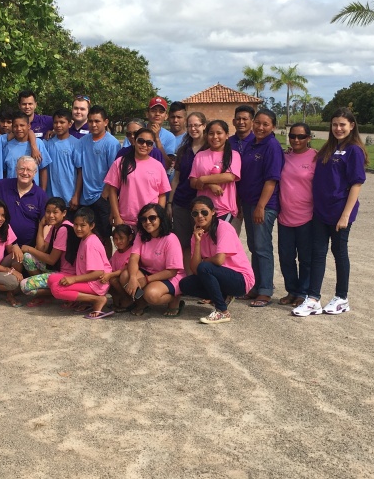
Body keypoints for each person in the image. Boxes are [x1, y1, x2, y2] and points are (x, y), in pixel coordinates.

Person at [292, 108, 367, 317]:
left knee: (339, 252)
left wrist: (345, 215)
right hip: (321, 211)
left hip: (340, 212)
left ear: (351, 126)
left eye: (342, 124)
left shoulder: (354, 150)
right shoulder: (328, 149)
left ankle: (341, 297)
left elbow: (356, 183)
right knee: (318, 253)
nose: (338, 128)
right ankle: (313, 299)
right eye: (335, 124)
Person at [179, 196, 254, 324]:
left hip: (240, 279)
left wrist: (204, 262)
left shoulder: (223, 227)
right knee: (185, 284)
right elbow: (194, 269)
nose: (200, 216)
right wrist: (197, 242)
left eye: (204, 212)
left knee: (204, 267)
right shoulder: (197, 234)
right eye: (195, 213)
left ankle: (222, 311)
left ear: (213, 212)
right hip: (220, 276)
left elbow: (219, 260)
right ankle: (224, 296)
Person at [236, 109, 284, 307]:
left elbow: (271, 179)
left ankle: (265, 290)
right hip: (249, 204)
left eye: (266, 124)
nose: (261, 127)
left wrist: (261, 206)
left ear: (273, 126)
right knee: (254, 246)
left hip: (263, 205)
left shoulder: (271, 146)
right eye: (258, 123)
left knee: (263, 247)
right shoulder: (252, 144)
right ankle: (256, 286)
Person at [47, 207, 114, 319]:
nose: (78, 228)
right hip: (87, 279)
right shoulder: (85, 239)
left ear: (91, 226)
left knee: (56, 289)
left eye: (83, 225)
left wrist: (73, 279)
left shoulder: (91, 243)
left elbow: (98, 273)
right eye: (76, 225)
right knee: (52, 279)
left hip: (96, 284)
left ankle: (97, 299)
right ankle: (79, 300)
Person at [119, 203, 184, 317]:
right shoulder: (141, 235)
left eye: (152, 218)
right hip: (148, 272)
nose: (147, 222)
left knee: (151, 294)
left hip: (170, 276)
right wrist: (134, 278)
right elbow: (134, 258)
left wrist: (146, 280)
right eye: (143, 219)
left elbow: (172, 271)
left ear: (161, 218)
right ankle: (142, 302)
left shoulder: (170, 239)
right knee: (125, 277)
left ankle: (175, 298)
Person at [277, 123, 317, 307]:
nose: (296, 140)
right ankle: (292, 290)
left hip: (307, 216)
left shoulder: (316, 158)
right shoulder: (284, 157)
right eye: (293, 136)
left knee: (305, 258)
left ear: (309, 137)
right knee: (286, 256)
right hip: (285, 215)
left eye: (301, 137)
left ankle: (303, 292)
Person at [104, 127, 170, 228]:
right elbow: (112, 190)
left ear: (152, 146)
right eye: (141, 141)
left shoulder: (158, 166)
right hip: (126, 220)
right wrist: (117, 216)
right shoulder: (120, 162)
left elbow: (162, 194)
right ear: (134, 141)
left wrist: (158, 217)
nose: (144, 145)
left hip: (149, 222)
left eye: (149, 143)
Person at [77, 105, 120, 255]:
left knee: (104, 236)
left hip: (102, 197)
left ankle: (106, 267)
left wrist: (104, 197)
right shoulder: (83, 141)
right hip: (85, 197)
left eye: (97, 121)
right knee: (85, 234)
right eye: (90, 121)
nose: (93, 125)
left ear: (106, 122)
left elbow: (114, 173)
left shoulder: (112, 143)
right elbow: (80, 169)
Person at [19, 197, 77, 306]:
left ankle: (58, 291)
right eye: (48, 212)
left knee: (24, 286)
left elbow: (51, 260)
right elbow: (41, 249)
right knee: (27, 257)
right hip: (57, 267)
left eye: (55, 212)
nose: (51, 215)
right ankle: (49, 288)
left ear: (64, 213)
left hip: (66, 273)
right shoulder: (56, 226)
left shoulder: (64, 229)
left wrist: (29, 248)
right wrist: (41, 225)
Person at [169, 111, 207, 273]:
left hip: (202, 204)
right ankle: (186, 277)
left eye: (196, 125)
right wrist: (170, 203)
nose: (193, 129)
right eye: (190, 125)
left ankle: (201, 279)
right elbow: (176, 178)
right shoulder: (183, 150)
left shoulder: (210, 149)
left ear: (204, 126)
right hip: (181, 202)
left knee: (203, 243)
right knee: (182, 242)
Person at [0, 156, 48, 247]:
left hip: (28, 249)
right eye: (22, 169)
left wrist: (40, 248)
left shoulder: (41, 195)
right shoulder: (3, 185)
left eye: (29, 170)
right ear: (16, 170)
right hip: (1, 247)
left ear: (35, 173)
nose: (25, 173)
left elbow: (46, 223)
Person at [189, 120, 241, 221]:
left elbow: (230, 176)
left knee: (220, 236)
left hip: (224, 209)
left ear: (227, 135)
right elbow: (193, 182)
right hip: (202, 210)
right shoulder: (200, 156)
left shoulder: (233, 155)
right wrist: (210, 185)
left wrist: (203, 179)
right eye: (211, 134)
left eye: (219, 133)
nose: (215, 137)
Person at [45, 109, 82, 210]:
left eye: (62, 122)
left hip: (69, 199)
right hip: (51, 198)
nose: (58, 125)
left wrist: (76, 195)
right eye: (56, 122)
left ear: (69, 124)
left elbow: (80, 171)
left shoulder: (76, 144)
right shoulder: (47, 143)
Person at [228, 105, 256, 235]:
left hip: (253, 198)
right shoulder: (227, 143)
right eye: (238, 119)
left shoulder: (259, 142)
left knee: (256, 242)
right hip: (231, 197)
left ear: (252, 121)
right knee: (231, 235)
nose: (241, 122)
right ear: (233, 121)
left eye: (245, 119)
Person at [4, 114, 51, 188]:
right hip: (11, 191)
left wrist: (42, 191)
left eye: (22, 125)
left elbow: (43, 169)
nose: (19, 129)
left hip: (33, 192)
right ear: (12, 128)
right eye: (15, 126)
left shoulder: (38, 143)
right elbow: (4, 170)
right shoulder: (7, 146)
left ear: (29, 126)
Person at [99, 224, 135, 311]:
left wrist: (109, 275)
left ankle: (129, 299)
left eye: (121, 238)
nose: (118, 241)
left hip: (129, 280)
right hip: (119, 279)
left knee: (112, 279)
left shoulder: (132, 251)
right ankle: (118, 299)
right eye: (115, 239)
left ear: (129, 238)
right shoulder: (117, 253)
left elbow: (125, 269)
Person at [144, 97, 176, 167]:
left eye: (161, 111)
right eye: (153, 111)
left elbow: (167, 165)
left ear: (166, 116)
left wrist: (157, 139)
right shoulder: (136, 132)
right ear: (147, 114)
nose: (157, 114)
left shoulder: (170, 137)